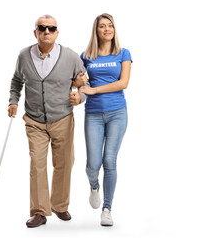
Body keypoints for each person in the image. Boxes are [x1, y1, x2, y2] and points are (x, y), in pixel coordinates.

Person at [8, 14, 88, 228]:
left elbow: (84, 83)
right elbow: (17, 80)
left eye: (51, 28)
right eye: (42, 28)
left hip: (62, 118)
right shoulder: (24, 56)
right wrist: (13, 101)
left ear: (57, 33)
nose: (46, 31)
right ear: (35, 32)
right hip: (34, 120)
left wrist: (80, 96)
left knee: (64, 163)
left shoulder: (71, 57)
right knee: (37, 163)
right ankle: (39, 211)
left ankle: (60, 205)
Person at [79, 13, 132, 226]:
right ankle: (94, 186)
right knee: (93, 164)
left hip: (117, 112)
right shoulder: (85, 56)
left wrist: (95, 89)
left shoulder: (123, 53)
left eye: (110, 26)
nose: (107, 29)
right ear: (97, 30)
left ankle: (107, 209)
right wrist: (81, 88)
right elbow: (79, 83)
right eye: (102, 26)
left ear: (114, 29)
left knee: (109, 160)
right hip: (93, 114)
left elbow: (123, 83)